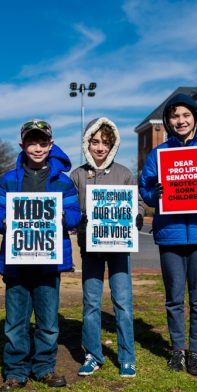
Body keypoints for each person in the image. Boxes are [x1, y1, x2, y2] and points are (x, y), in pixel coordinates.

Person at [138, 93, 197, 376]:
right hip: (170, 233)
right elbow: (145, 189)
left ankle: (196, 352)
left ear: (194, 117)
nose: (180, 121)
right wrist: (152, 194)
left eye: (185, 115)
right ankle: (177, 350)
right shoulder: (158, 155)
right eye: (174, 116)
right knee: (174, 297)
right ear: (168, 121)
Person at [0, 120, 81, 392]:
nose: (38, 148)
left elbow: (75, 214)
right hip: (17, 263)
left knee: (49, 321)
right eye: (32, 142)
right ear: (22, 145)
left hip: (48, 262)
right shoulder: (8, 179)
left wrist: (64, 217)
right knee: (15, 321)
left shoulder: (63, 182)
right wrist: (3, 221)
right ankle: (16, 371)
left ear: (51, 145)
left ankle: (44, 367)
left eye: (43, 143)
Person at [69, 117, 144, 378]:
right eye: (95, 141)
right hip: (90, 248)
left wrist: (137, 215)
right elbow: (70, 208)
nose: (100, 148)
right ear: (87, 142)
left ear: (113, 145)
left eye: (105, 142)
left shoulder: (124, 173)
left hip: (119, 248)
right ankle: (92, 354)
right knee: (91, 303)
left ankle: (127, 357)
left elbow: (137, 203)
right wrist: (80, 217)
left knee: (123, 303)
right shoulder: (77, 174)